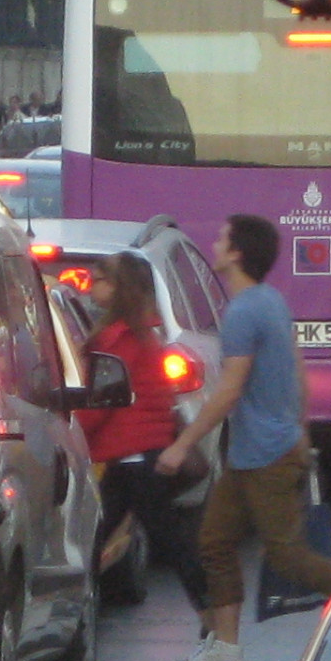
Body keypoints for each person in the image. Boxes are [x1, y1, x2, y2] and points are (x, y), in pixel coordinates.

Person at [157, 215, 331, 661]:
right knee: (214, 543)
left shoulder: (243, 312)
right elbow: (298, 371)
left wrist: (183, 443)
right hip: (256, 452)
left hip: (267, 455)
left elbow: (229, 389)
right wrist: (300, 427)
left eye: (221, 238)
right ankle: (224, 651)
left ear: (237, 253)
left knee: (286, 558)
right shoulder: (271, 302)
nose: (214, 243)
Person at [76, 253, 210, 622]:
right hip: (139, 454)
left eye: (99, 279)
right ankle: (211, 616)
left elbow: (100, 402)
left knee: (168, 540)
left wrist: (74, 438)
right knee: (108, 535)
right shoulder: (142, 335)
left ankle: (213, 618)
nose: (91, 285)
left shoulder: (115, 340)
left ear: (118, 289)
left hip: (133, 456)